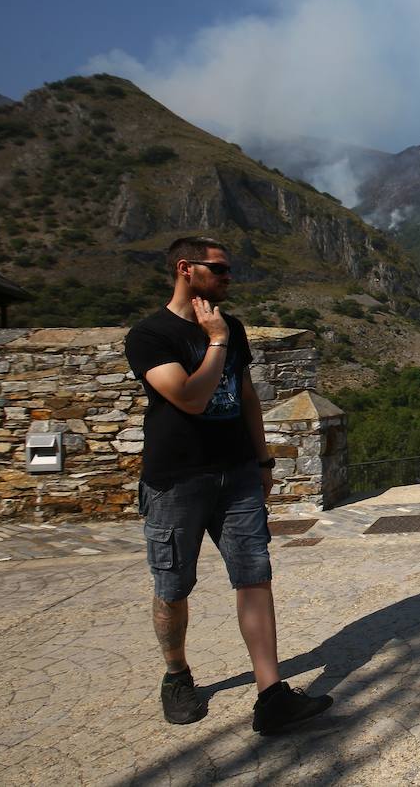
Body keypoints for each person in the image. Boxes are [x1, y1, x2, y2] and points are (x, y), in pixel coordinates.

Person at [125, 236, 332, 735]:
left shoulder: (232, 327)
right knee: (173, 585)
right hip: (177, 479)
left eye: (228, 269)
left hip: (237, 472)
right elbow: (189, 397)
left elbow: (245, 396)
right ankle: (177, 675)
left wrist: (262, 460)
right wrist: (215, 341)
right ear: (185, 269)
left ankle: (271, 695)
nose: (227, 277)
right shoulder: (150, 335)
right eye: (218, 269)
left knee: (254, 576)